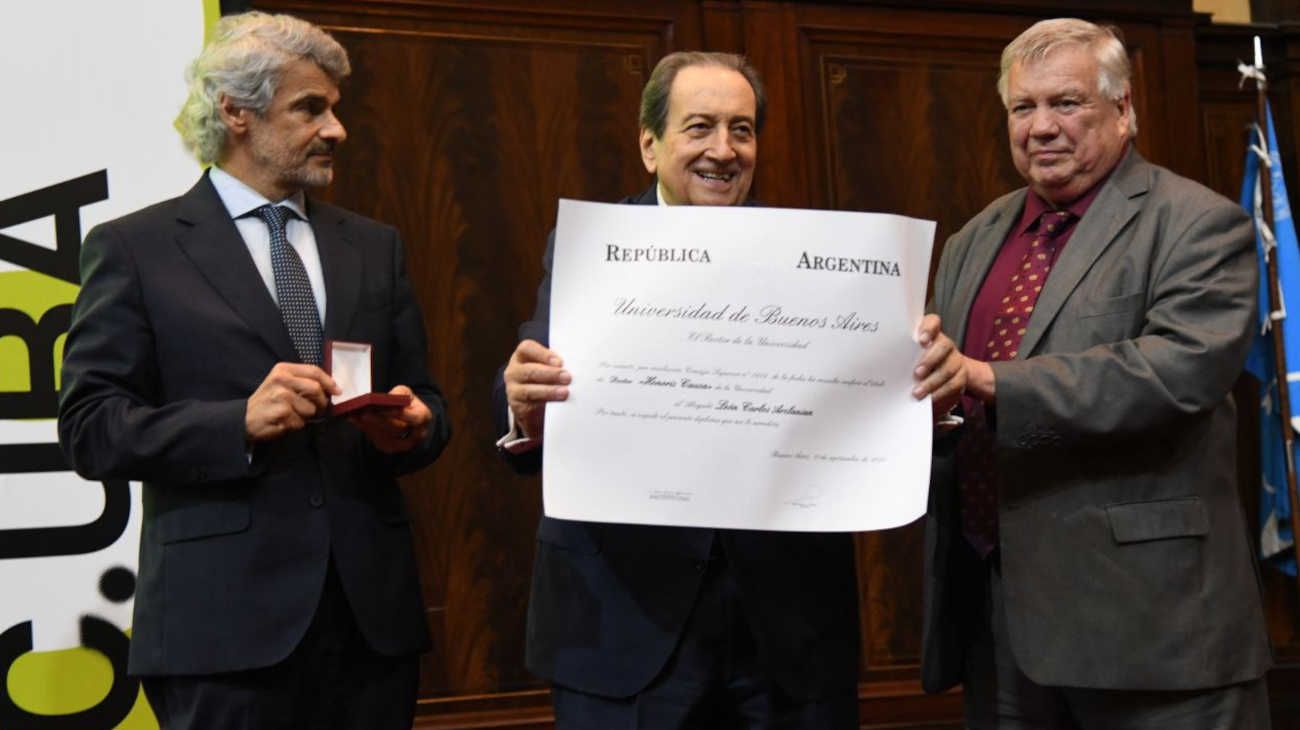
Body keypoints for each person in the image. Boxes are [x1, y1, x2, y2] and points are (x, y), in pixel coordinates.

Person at [494, 51, 964, 729]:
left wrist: (926, 397)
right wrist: (520, 403)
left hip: (790, 637)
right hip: (624, 628)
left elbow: (865, 413)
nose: (724, 150)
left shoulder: (825, 262)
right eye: (700, 127)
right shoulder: (585, 248)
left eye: (742, 129)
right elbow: (527, 401)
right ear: (650, 144)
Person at [57, 12, 450, 729]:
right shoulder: (135, 248)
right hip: (220, 633)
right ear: (235, 112)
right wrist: (235, 422)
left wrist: (417, 426)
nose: (337, 129)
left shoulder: (374, 246)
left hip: (370, 627)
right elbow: (90, 428)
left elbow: (425, 397)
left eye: (335, 108)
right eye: (310, 108)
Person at [923, 18, 1272, 729]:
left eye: (1068, 103)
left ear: (1124, 110)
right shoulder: (974, 238)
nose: (1042, 127)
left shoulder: (1198, 224)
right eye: (1024, 108)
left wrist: (991, 379)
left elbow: (1175, 373)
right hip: (999, 622)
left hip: (1151, 631)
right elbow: (938, 382)